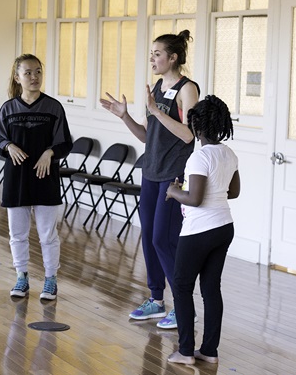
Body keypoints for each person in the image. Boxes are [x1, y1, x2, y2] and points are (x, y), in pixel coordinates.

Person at [99, 30, 200, 329]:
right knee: (149, 239)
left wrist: (156, 110)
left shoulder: (187, 89)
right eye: (151, 54)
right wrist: (124, 116)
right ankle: (156, 299)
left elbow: (189, 134)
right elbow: (146, 135)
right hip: (151, 172)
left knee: (163, 239)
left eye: (157, 54)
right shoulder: (156, 87)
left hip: (174, 175)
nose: (152, 60)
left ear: (173, 58)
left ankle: (183, 307)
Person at [0, 53, 73, 301]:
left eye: (38, 72)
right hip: (17, 179)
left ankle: (50, 280)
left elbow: (65, 142)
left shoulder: (54, 107)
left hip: (46, 178)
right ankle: (21, 277)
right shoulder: (8, 108)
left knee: (48, 235)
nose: (34, 77)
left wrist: (50, 152)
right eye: (28, 73)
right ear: (17, 77)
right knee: (17, 234)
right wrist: (8, 146)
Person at [164, 95, 240, 365]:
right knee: (210, 288)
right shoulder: (228, 154)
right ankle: (209, 351)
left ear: (196, 126)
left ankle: (185, 351)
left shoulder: (199, 157)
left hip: (199, 230)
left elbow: (194, 199)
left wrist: (174, 191)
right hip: (224, 226)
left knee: (182, 286)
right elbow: (233, 192)